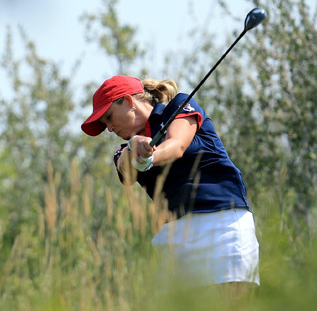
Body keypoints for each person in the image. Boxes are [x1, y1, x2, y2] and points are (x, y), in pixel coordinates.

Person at [81, 75, 259, 303]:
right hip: (175, 239)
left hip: (223, 227)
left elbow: (177, 146)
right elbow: (125, 168)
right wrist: (135, 147)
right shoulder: (123, 150)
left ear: (127, 101)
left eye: (108, 117)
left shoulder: (179, 106)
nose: (109, 128)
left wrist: (150, 157)